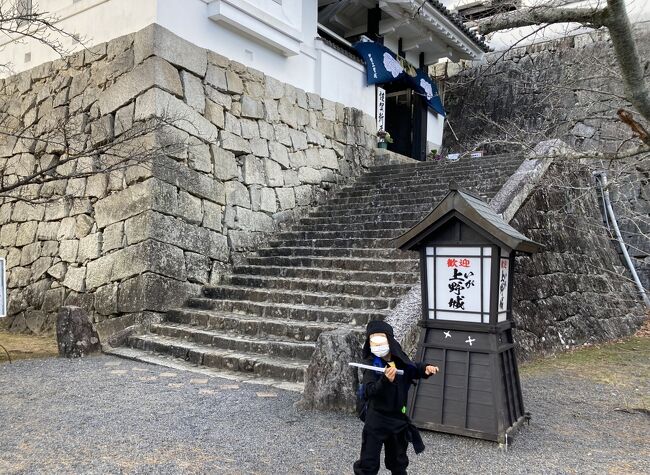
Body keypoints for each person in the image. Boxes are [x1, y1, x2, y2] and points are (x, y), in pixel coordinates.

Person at [353, 320, 439, 475]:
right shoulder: (371, 364)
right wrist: (385, 380)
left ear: (389, 340)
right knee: (369, 462)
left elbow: (412, 369)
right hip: (376, 419)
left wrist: (425, 369)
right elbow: (370, 390)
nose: (377, 345)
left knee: (398, 462)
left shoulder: (399, 360)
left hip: (397, 419)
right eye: (373, 341)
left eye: (381, 340)